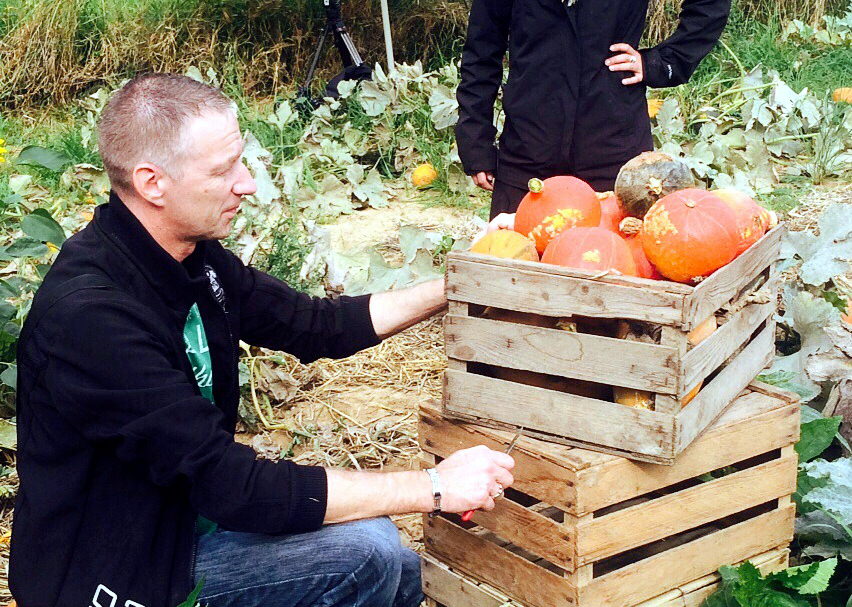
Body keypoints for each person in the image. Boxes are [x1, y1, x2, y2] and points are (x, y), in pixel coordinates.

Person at [10, 73, 515, 607]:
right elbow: (232, 485)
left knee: (403, 572)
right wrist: (432, 487)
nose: (247, 183)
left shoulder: (186, 257)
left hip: (183, 521)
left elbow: (314, 324)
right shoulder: (93, 318)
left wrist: (458, 281)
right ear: (152, 183)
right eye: (223, 169)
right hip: (122, 571)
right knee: (370, 553)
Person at [455, 0, 732, 219]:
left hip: (614, 154)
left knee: (615, 275)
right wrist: (475, 141)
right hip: (527, 155)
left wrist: (664, 62)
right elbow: (481, 49)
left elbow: (709, 5)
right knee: (512, 272)